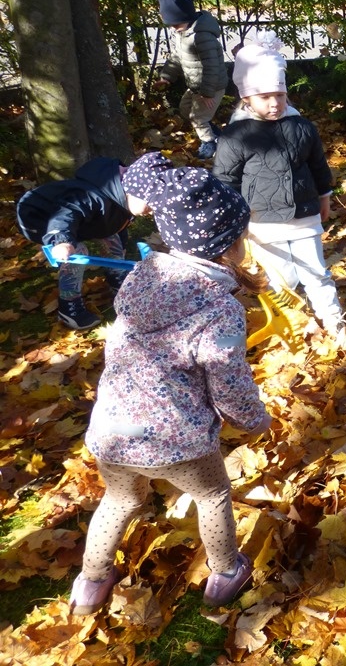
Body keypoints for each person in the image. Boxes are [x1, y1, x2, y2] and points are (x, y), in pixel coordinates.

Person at [68, 166, 272, 616]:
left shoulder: (142, 276)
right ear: (231, 245)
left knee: (120, 499)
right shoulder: (220, 308)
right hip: (178, 437)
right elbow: (229, 381)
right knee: (212, 495)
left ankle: (90, 584)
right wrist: (254, 420)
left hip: (113, 430)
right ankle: (225, 572)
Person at [212, 31, 346, 345]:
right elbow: (226, 181)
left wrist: (324, 196)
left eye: (279, 95)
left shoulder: (301, 127)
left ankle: (334, 321)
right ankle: (296, 322)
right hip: (262, 221)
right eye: (264, 97)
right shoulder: (236, 136)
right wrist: (234, 224)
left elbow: (318, 165)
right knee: (282, 278)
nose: (274, 103)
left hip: (305, 215)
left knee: (316, 272)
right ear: (246, 98)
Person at [15, 152, 173, 330]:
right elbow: (66, 214)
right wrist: (62, 241)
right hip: (39, 216)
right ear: (133, 192)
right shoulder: (91, 197)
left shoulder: (123, 196)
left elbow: (116, 225)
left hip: (79, 221)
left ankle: (116, 275)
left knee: (110, 235)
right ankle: (69, 304)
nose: (153, 209)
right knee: (77, 252)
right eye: (150, 203)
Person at [153, 0, 228, 160]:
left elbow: (212, 65)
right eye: (171, 26)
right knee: (185, 109)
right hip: (196, 86)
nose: (174, 29)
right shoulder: (182, 33)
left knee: (198, 117)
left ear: (186, 18)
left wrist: (208, 93)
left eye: (176, 25)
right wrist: (166, 77)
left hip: (212, 87)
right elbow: (176, 57)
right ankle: (215, 133)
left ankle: (210, 144)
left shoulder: (201, 36)